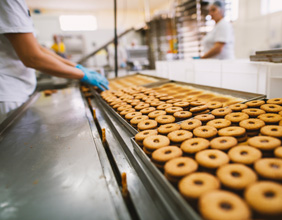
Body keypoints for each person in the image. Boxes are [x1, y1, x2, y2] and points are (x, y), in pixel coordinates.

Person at [0, 0, 108, 120]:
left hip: (18, 89)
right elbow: (32, 57)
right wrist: (82, 74)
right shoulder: (9, 2)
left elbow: (38, 49)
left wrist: (77, 67)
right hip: (8, 92)